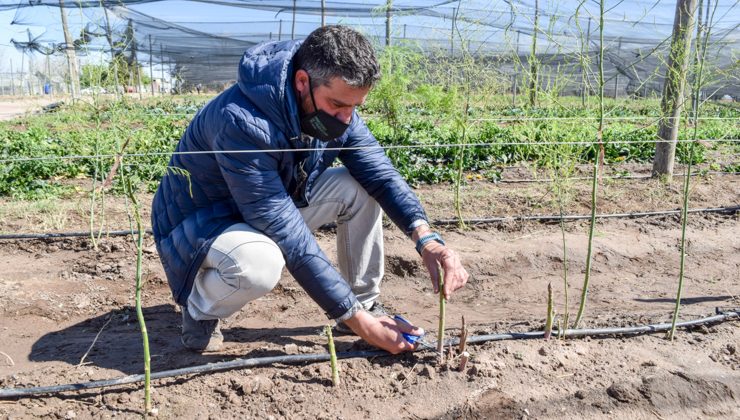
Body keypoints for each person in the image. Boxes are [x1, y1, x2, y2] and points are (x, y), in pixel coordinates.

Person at [151, 25, 468, 354]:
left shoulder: (336, 110)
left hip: (268, 204)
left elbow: (382, 176)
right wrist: (359, 323)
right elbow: (285, 231)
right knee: (260, 263)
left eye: (354, 107)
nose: (346, 119)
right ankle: (201, 309)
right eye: (337, 106)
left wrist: (427, 241)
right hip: (206, 222)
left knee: (356, 188)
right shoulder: (241, 121)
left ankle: (365, 303)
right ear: (303, 82)